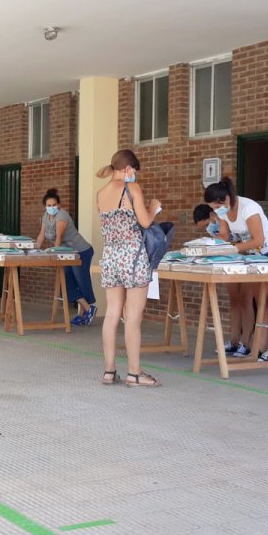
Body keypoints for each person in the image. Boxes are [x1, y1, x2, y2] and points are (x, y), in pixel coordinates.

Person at [204, 177, 268, 362]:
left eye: (217, 206)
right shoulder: (222, 212)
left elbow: (258, 239)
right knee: (261, 304)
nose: (216, 210)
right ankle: (259, 346)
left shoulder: (248, 208)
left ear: (226, 199)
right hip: (253, 257)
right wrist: (210, 244)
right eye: (212, 207)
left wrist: (235, 248)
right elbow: (225, 236)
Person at [96, 149, 162, 387]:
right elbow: (144, 222)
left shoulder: (101, 193)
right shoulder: (131, 188)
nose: (134, 174)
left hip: (111, 257)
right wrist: (154, 207)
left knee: (112, 313)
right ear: (127, 169)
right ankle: (134, 373)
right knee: (133, 317)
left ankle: (109, 370)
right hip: (133, 256)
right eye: (133, 170)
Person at [33, 189, 97, 325]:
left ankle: (86, 312)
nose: (51, 208)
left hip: (80, 251)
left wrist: (54, 253)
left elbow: (59, 239)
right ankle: (87, 309)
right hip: (66, 253)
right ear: (45, 206)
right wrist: (35, 249)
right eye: (48, 205)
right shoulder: (45, 216)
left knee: (81, 280)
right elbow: (41, 234)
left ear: (59, 204)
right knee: (66, 282)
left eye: (53, 205)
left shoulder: (61, 216)